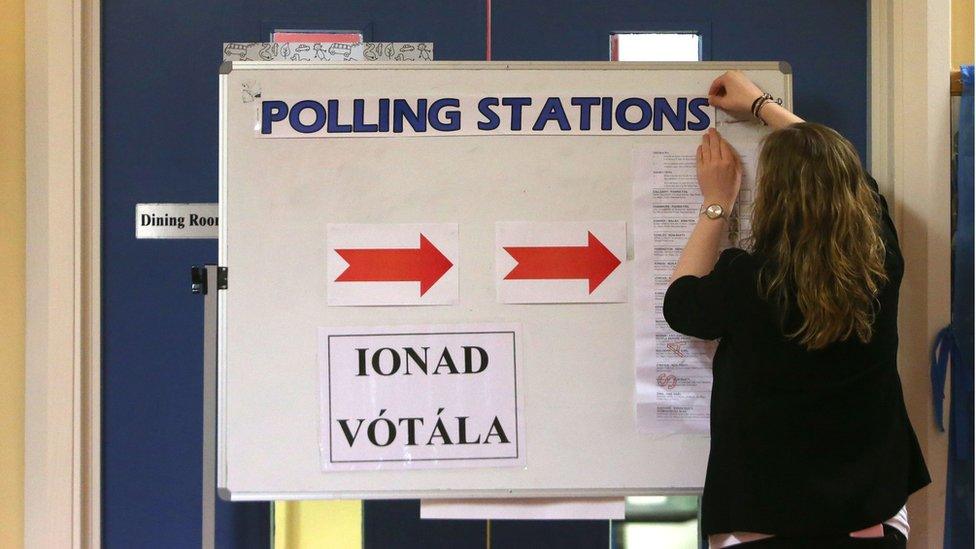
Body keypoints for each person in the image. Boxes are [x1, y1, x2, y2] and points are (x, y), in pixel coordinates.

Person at [663, 71, 931, 548]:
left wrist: (716, 204)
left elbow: (682, 305)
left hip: (762, 525)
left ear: (772, 199)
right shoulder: (879, 267)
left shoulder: (748, 280)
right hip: (869, 523)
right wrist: (763, 106)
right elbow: (856, 180)